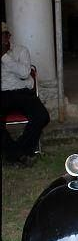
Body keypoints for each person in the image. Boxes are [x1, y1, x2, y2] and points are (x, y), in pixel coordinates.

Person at [1, 22, 50, 165]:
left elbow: (24, 74)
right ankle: (20, 154)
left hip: (22, 92)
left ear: (8, 36)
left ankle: (14, 153)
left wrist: (4, 56)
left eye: (3, 36)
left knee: (42, 116)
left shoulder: (21, 51)